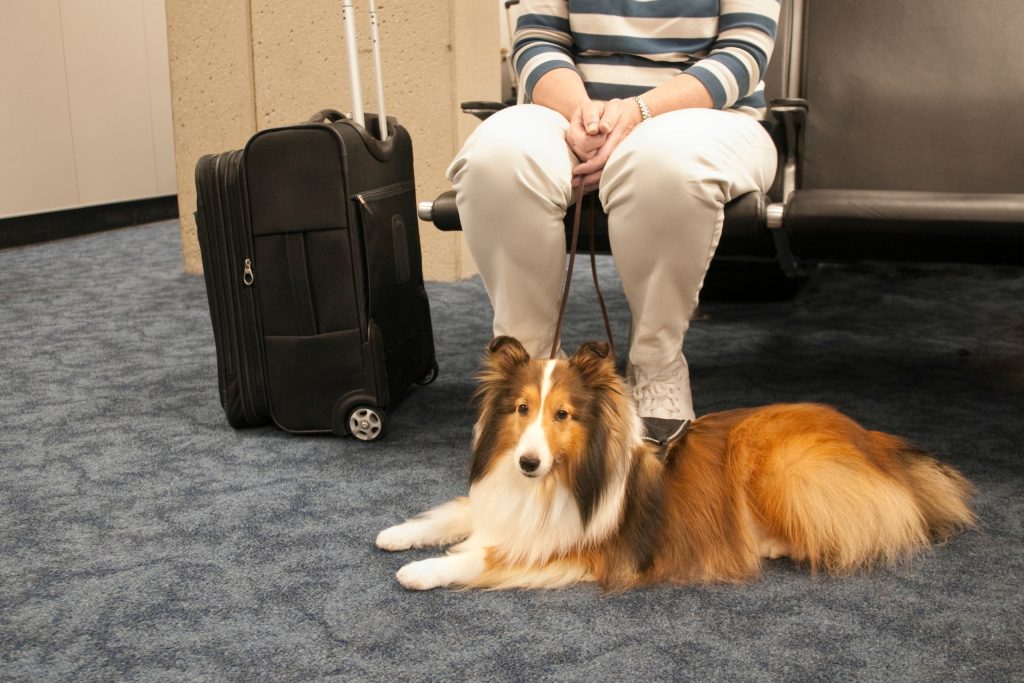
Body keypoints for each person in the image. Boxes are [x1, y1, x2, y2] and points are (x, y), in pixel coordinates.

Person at [447, 0, 780, 428]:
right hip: (573, 111)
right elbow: (538, 39)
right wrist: (586, 117)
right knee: (495, 160)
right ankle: (530, 369)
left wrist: (637, 114)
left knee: (664, 166)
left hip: (708, 116)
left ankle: (656, 365)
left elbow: (743, 53)